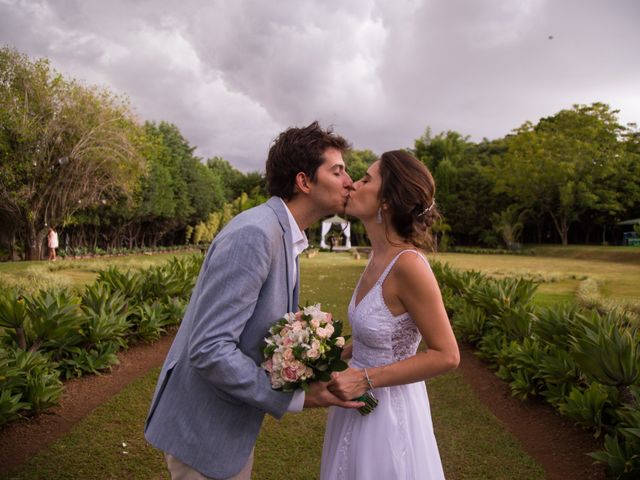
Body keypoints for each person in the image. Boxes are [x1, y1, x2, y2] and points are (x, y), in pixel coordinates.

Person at [144, 121, 363, 480]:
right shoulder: (255, 234)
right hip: (203, 432)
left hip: (227, 430)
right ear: (304, 181)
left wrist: (318, 361)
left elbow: (259, 334)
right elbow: (210, 349)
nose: (349, 181)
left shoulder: (282, 234)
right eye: (337, 171)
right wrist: (297, 398)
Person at [320, 150, 460, 479]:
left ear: (387, 200)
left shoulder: (409, 265)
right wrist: (339, 354)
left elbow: (447, 355)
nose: (353, 184)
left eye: (366, 179)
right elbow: (384, 334)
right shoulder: (376, 258)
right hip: (356, 406)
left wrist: (365, 378)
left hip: (389, 414)